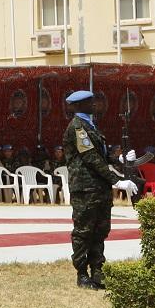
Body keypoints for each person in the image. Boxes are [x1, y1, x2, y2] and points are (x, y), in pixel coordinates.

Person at [62, 90, 137, 289]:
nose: (94, 105)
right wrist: (117, 181)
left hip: (99, 187)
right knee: (84, 231)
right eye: (90, 102)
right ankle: (82, 274)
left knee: (100, 230)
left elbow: (101, 155)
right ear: (78, 106)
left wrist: (118, 159)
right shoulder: (77, 127)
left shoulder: (90, 125)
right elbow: (91, 158)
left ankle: (97, 271)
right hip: (85, 188)